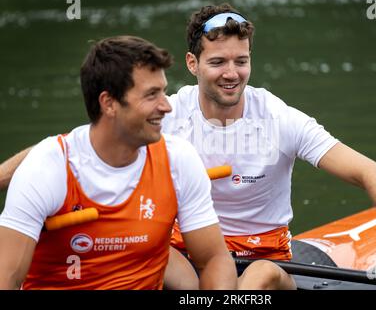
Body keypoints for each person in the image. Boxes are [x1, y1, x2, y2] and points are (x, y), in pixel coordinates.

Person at [0, 4, 376, 289]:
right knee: (162, 261)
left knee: (259, 277)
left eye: (241, 61)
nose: (232, 73)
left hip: (265, 259)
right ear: (193, 64)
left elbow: (370, 172)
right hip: (187, 251)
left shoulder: (280, 119)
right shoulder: (167, 114)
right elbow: (71, 146)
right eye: (218, 62)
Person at [0, 36, 237, 290]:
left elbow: (213, 259)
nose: (166, 106)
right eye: (151, 95)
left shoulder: (177, 159)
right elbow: (7, 279)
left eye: (164, 92)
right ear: (109, 103)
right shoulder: (48, 167)